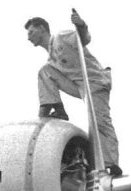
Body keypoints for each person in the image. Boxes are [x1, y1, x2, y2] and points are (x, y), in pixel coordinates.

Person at [24, 9, 121, 176]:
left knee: (100, 122)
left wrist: (81, 25)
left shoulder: (60, 37)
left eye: (31, 32)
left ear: (41, 28)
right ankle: (55, 108)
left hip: (95, 82)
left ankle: (111, 163)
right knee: (45, 71)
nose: (28, 37)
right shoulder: (51, 60)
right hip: (79, 87)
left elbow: (83, 39)